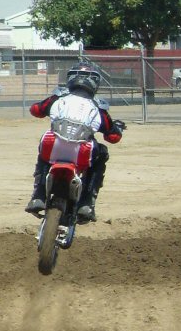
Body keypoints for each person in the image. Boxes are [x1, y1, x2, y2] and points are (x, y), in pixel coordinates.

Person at [24, 62, 124, 222]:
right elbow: (113, 137)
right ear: (96, 82)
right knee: (102, 153)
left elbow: (35, 110)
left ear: (70, 78)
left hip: (52, 147)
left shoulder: (57, 98)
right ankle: (87, 203)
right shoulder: (98, 108)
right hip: (82, 152)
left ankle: (38, 196)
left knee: (44, 147)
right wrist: (117, 128)